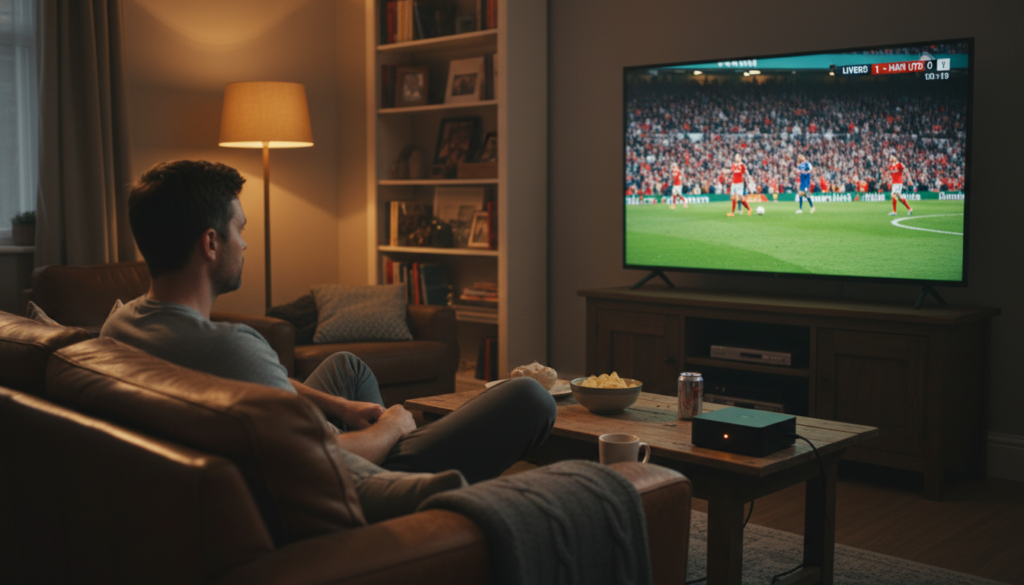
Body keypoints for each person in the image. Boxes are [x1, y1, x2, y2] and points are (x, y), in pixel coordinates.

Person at [102, 160, 556, 484]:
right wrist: (391, 427)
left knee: (348, 367)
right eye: (239, 230)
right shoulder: (229, 346)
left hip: (284, 447)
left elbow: (248, 381)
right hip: (342, 486)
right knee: (529, 398)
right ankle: (395, 468)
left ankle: (392, 450)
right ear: (210, 243)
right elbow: (318, 458)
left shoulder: (121, 325)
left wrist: (341, 408)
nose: (245, 244)